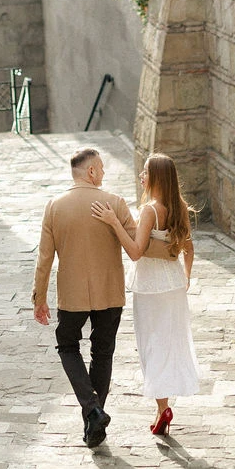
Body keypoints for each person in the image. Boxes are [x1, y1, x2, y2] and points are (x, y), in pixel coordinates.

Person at [34, 147, 137, 447]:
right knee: (102, 354)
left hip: (72, 295)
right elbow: (138, 241)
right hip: (110, 292)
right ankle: (95, 418)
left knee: (67, 345)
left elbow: (44, 259)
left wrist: (39, 298)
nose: (104, 173)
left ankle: (92, 412)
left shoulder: (54, 206)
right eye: (102, 168)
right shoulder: (115, 203)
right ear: (91, 171)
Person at [92, 152, 199, 436]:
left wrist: (114, 222)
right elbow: (189, 249)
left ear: (157, 178)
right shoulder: (180, 208)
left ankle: (162, 406)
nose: (141, 177)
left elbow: (136, 252)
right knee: (169, 341)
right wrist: (185, 277)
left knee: (151, 344)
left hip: (150, 286)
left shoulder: (150, 211)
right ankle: (160, 408)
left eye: (145, 173)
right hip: (173, 283)